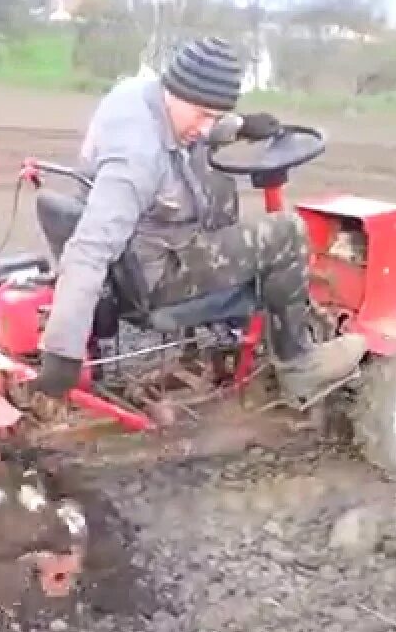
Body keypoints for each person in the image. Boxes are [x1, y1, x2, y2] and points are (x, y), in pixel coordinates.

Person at [32, 36, 367, 402]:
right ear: (175, 92)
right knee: (287, 232)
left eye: (215, 116)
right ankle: (299, 364)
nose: (207, 128)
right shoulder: (136, 160)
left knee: (217, 181)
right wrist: (63, 349)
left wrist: (238, 126)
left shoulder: (138, 94)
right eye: (204, 116)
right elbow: (90, 248)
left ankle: (232, 331)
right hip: (156, 275)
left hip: (143, 248)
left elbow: (190, 122)